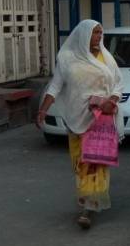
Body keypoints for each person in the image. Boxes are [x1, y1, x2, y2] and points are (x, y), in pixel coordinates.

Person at [36, 20, 124, 229]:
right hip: (76, 118)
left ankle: (88, 207)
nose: (99, 37)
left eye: (101, 33)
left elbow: (118, 83)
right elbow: (55, 86)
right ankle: (88, 200)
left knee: (94, 162)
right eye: (95, 33)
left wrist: (111, 100)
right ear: (84, 35)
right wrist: (43, 110)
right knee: (80, 162)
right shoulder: (67, 59)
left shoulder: (106, 58)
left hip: (100, 118)